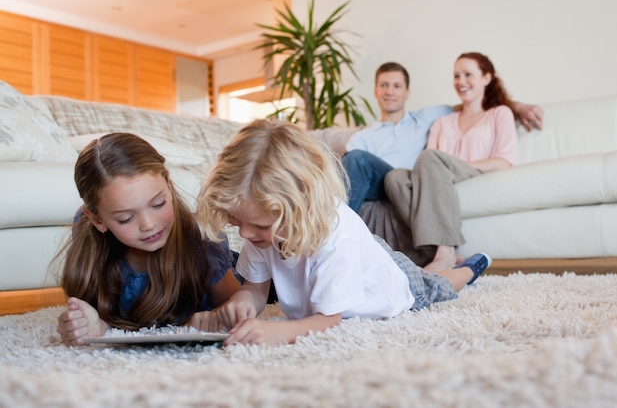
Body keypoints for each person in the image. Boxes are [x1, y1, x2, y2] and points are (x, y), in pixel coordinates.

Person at [195, 118, 492, 346]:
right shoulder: (261, 230)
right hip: (360, 255)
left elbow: (329, 320)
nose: (245, 234)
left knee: (437, 287)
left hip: (394, 284)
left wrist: (277, 331)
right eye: (237, 221)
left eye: (259, 226)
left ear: (300, 208)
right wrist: (243, 302)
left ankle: (471, 267)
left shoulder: (335, 239)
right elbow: (256, 290)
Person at [53, 132, 241, 346]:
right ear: (97, 220)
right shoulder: (91, 240)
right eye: (126, 218)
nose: (149, 224)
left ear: (168, 184)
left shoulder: (201, 240)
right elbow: (98, 313)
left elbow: (236, 302)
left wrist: (215, 316)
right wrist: (86, 324)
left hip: (243, 267)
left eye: (158, 204)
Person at [342, 61, 543, 213]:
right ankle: (337, 229)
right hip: (377, 184)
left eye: (397, 86)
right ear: (376, 91)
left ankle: (335, 230)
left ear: (407, 92)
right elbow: (351, 178)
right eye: (384, 85)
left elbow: (473, 104)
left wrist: (516, 106)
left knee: (359, 160)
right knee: (354, 159)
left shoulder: (427, 117)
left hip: (409, 183)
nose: (390, 92)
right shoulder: (362, 137)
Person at [384, 52, 519, 271]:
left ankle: (445, 252)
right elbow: (425, 167)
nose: (461, 81)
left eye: (468, 74)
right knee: (395, 177)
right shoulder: (443, 121)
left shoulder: (499, 114)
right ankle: (444, 254)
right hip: (437, 177)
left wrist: (455, 165)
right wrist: (441, 167)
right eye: (456, 76)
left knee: (430, 158)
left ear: (486, 78)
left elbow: (506, 161)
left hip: (472, 172)